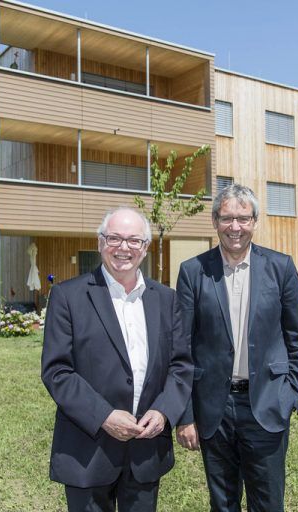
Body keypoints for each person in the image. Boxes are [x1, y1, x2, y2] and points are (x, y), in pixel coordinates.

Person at [41, 207, 193, 511]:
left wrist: (164, 412)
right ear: (100, 242)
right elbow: (57, 371)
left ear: (145, 248)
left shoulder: (166, 299)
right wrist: (104, 416)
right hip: (88, 450)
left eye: (134, 240)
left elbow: (181, 364)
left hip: (146, 451)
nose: (124, 248)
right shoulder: (67, 296)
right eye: (114, 238)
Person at [175, 184, 298, 512]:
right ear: (215, 221)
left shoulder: (281, 268)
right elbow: (182, 347)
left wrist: (291, 394)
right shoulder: (193, 272)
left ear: (254, 221)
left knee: (268, 503)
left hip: (266, 404)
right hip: (213, 409)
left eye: (243, 219)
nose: (235, 227)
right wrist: (186, 415)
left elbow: (297, 340)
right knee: (223, 503)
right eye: (227, 218)